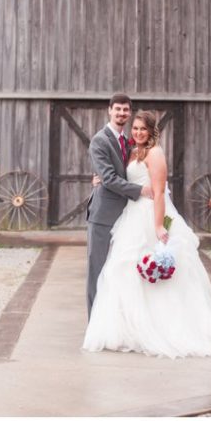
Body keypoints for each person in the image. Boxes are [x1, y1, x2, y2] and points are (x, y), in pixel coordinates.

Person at [83, 110, 211, 357]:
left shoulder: (155, 153)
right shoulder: (132, 150)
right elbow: (114, 175)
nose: (138, 132)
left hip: (149, 215)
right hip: (130, 216)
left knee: (152, 275)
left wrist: (159, 226)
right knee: (122, 271)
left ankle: (161, 327)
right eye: (135, 128)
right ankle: (128, 329)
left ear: (151, 131)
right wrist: (99, 180)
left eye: (143, 129)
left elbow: (159, 193)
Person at [86, 94, 151, 319]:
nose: (121, 113)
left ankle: (118, 320)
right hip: (103, 215)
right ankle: (94, 323)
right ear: (109, 110)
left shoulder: (129, 141)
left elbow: (118, 173)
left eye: (125, 110)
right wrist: (140, 190)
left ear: (129, 113)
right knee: (98, 270)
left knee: (119, 270)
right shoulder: (100, 140)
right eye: (118, 109)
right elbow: (110, 178)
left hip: (128, 215)